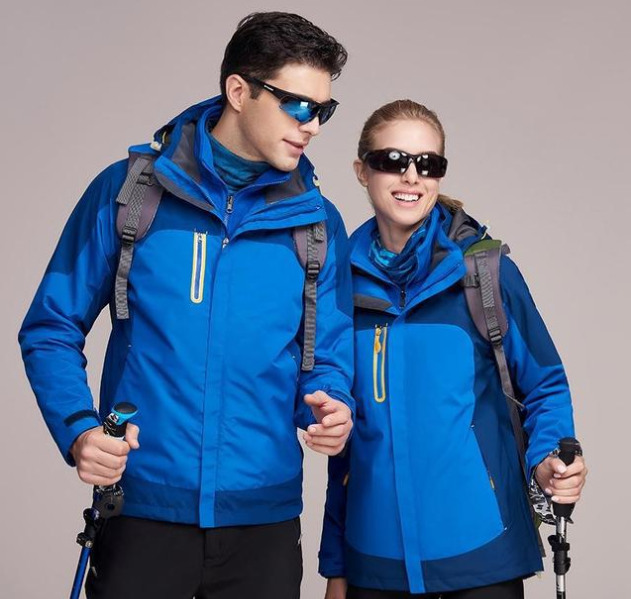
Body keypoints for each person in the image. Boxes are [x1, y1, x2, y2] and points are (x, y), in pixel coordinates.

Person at [18, 12, 355, 599]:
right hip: (142, 509)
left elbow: (325, 354)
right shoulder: (129, 193)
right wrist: (79, 430)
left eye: (323, 111)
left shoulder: (318, 223)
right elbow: (51, 326)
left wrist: (331, 404)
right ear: (239, 91)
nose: (312, 126)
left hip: (264, 522)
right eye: (298, 105)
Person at [313, 100, 588, 599]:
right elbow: (345, 448)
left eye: (428, 163)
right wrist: (337, 566)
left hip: (484, 558)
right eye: (392, 160)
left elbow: (545, 386)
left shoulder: (485, 273)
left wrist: (549, 457)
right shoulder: (339, 284)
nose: (411, 176)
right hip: (374, 564)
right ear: (361, 171)